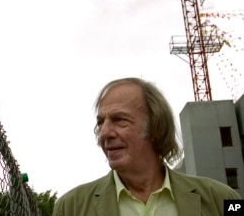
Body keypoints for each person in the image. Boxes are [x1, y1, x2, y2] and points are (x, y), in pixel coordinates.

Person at [53, 77, 240, 216]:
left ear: (155, 126)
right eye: (101, 122)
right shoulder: (71, 208)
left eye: (119, 120)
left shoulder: (223, 200)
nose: (104, 133)